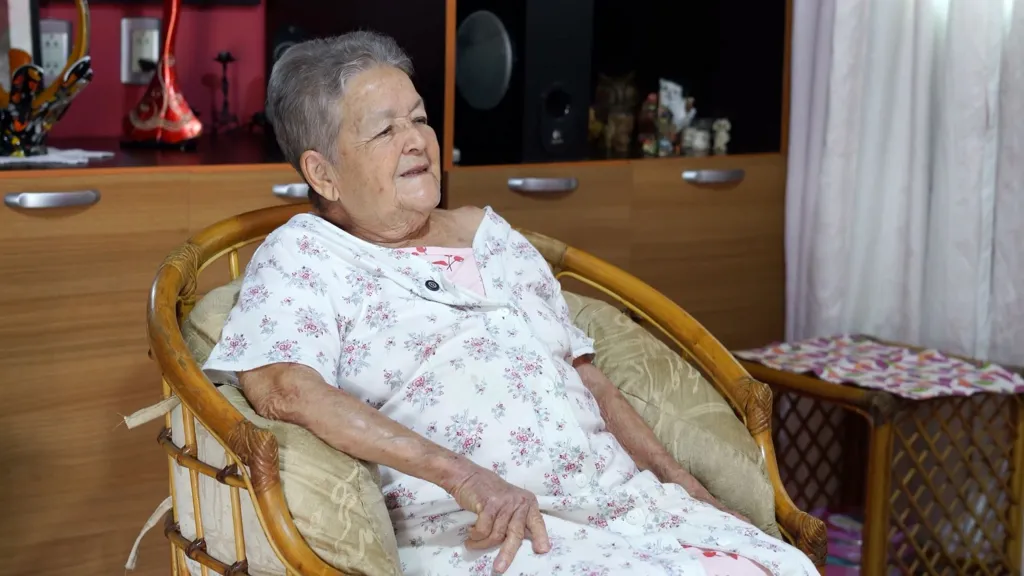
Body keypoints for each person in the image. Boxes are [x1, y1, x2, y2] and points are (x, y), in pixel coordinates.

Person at [204, 31, 818, 576]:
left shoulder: (491, 235)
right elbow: (285, 388)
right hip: (481, 527)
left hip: (623, 504)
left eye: (419, 119)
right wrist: (465, 476)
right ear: (323, 173)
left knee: (784, 567)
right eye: (386, 130)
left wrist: (678, 482)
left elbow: (584, 375)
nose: (417, 141)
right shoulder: (306, 254)